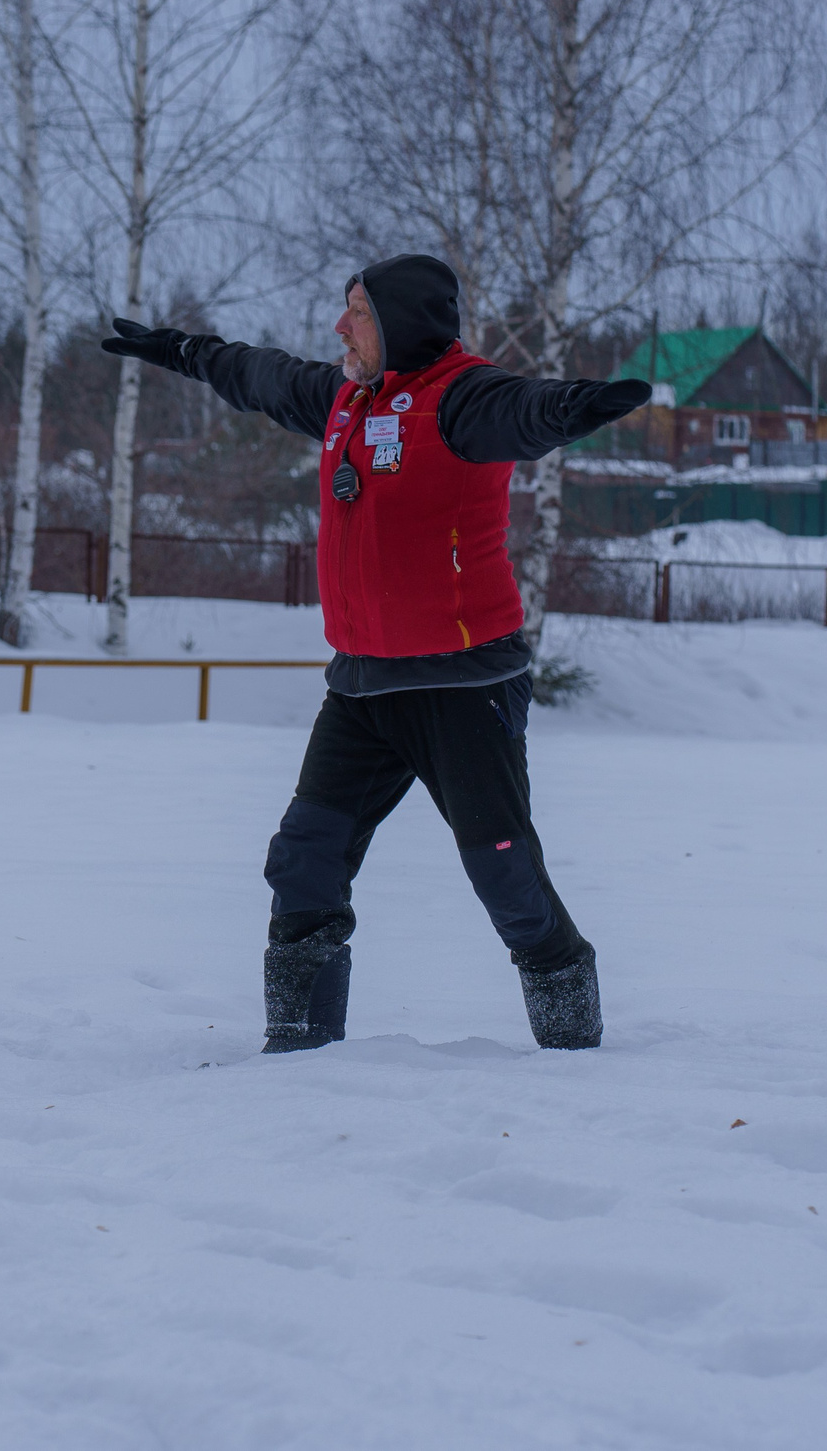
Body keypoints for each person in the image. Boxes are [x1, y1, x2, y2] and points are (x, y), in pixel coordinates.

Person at [102, 253, 651, 1053]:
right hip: (361, 690)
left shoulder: (462, 399)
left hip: (466, 686)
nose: (339, 326)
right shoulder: (344, 400)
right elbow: (261, 374)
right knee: (303, 861)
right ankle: (300, 1052)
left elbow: (525, 411)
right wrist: (184, 351)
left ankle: (572, 1045)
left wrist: (580, 405)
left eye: (355, 311)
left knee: (505, 876)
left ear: (399, 323)